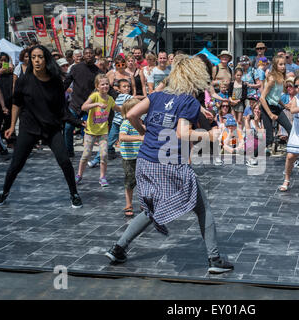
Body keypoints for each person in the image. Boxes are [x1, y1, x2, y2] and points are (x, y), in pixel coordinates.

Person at [105, 54, 234, 275]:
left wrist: (143, 133)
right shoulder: (189, 101)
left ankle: (118, 249)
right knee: (203, 209)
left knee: (151, 209)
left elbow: (132, 113)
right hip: (170, 163)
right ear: (196, 77)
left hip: (146, 160)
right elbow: (182, 133)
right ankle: (214, 259)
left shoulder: (157, 96)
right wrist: (211, 135)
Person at [0, 45, 84, 208]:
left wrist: (78, 122)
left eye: (40, 57)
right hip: (29, 128)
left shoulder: (55, 80)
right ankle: (4, 192)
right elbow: (16, 104)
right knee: (16, 164)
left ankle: (74, 193)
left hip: (52, 128)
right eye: (33, 57)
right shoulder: (23, 80)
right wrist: (12, 126)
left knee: (65, 161)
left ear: (46, 59)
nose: (36, 60)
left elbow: (61, 108)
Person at [88, 78, 134, 168]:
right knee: (108, 143)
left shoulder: (117, 97)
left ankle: (97, 159)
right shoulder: (127, 97)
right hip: (119, 124)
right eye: (124, 87)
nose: (127, 88)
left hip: (123, 123)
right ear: (119, 89)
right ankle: (97, 159)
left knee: (109, 142)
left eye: (128, 86)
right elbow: (135, 99)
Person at [64, 47, 100, 158]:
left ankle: (87, 153)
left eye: (91, 53)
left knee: (88, 130)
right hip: (75, 104)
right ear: (83, 56)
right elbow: (67, 82)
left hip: (89, 105)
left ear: (94, 55)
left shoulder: (97, 71)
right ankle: (69, 152)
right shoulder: (75, 68)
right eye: (86, 53)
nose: (89, 55)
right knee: (68, 128)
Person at [260, 55, 292, 156]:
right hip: (267, 108)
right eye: (280, 64)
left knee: (290, 129)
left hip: (275, 107)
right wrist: (270, 114)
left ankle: (291, 153)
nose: (283, 66)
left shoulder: (281, 77)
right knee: (269, 138)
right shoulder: (272, 79)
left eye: (284, 64)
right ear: (275, 65)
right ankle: (251, 154)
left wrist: (284, 105)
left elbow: (275, 95)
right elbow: (262, 98)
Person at [119, 98, 144, 217]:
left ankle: (143, 203)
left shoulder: (141, 122)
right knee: (130, 181)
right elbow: (122, 137)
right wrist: (139, 138)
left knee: (143, 180)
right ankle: (128, 204)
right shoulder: (126, 123)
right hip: (129, 158)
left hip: (141, 156)